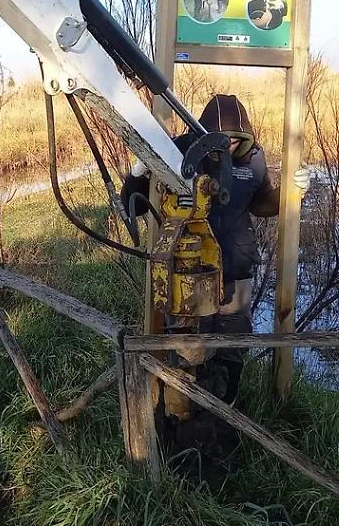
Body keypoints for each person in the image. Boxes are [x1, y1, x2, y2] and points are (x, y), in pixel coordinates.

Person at [123, 93, 310, 405]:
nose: (231, 146)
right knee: (187, 345)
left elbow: (261, 204)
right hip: (188, 272)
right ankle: (183, 413)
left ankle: (227, 409)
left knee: (233, 344)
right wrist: (138, 173)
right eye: (224, 140)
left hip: (236, 271)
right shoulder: (178, 152)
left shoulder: (254, 160)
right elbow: (133, 205)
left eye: (238, 140)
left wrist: (289, 193)